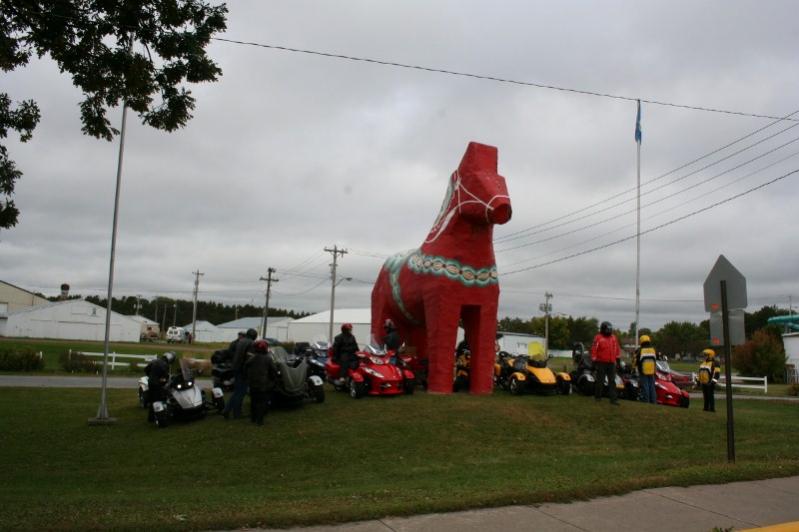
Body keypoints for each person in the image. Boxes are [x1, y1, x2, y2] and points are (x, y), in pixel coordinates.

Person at [223, 328, 257, 419]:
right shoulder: (251, 343)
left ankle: (229, 411)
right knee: (240, 392)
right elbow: (249, 359)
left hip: (236, 368)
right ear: (254, 336)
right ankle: (234, 412)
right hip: (243, 370)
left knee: (237, 391)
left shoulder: (241, 341)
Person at [245, 339, 276, 426]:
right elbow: (273, 370)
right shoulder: (268, 359)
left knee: (254, 401)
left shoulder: (251, 358)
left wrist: (248, 378)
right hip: (263, 384)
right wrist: (273, 379)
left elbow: (245, 368)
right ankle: (259, 420)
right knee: (262, 402)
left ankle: (253, 418)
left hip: (253, 383)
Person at [591, 321, 621, 405]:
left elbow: (617, 349)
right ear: (603, 329)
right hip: (601, 362)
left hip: (611, 363)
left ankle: (613, 399)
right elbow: (594, 350)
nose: (609, 331)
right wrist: (594, 361)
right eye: (608, 329)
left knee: (612, 381)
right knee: (600, 380)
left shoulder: (614, 338)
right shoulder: (598, 338)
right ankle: (598, 397)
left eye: (610, 329)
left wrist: (618, 360)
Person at [144, 351, 175, 422]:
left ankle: (151, 418)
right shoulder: (165, 364)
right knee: (159, 400)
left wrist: (151, 376)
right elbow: (165, 376)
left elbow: (146, 369)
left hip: (151, 383)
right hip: (158, 384)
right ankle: (161, 416)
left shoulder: (155, 361)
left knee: (152, 400)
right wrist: (164, 380)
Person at [633, 334, 658, 404]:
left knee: (645, 386)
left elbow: (636, 361)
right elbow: (656, 359)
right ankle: (654, 401)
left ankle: (646, 401)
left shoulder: (640, 350)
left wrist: (634, 368)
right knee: (652, 387)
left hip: (643, 371)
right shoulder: (653, 349)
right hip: (652, 371)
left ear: (641, 341)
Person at [698, 348, 721, 412]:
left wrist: (713, 382)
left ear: (710, 355)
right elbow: (700, 373)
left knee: (710, 396)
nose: (704, 356)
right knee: (705, 396)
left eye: (706, 355)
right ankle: (705, 408)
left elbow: (717, 374)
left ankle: (712, 409)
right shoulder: (703, 363)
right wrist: (698, 381)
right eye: (704, 355)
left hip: (710, 383)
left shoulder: (715, 363)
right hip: (703, 383)